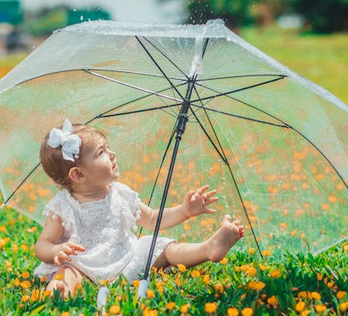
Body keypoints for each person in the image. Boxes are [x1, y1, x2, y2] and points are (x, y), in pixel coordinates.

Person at [34, 119, 245, 298]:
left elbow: (152, 219)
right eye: (101, 152)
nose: (112, 154)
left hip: (127, 260)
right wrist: (54, 250)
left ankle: (207, 249)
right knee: (67, 271)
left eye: (107, 147)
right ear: (79, 175)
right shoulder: (64, 206)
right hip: (84, 266)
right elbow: (42, 243)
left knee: (162, 247)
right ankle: (60, 288)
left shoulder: (120, 194)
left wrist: (183, 211)